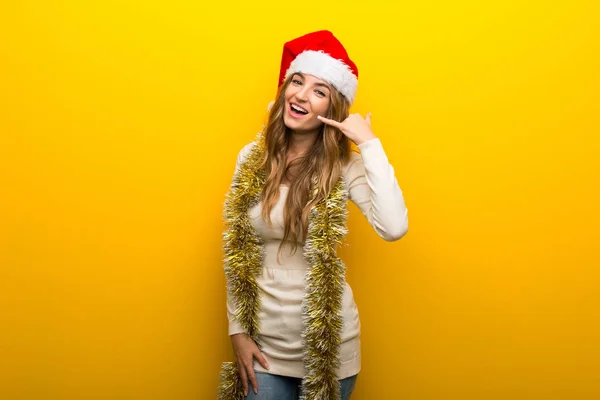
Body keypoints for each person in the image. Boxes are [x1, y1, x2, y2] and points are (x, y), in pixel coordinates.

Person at [217, 30, 409, 400]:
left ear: (332, 108)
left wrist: (369, 144)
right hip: (264, 346)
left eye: (319, 90)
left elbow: (394, 227)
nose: (301, 95)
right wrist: (238, 331)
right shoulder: (252, 158)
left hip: (328, 348)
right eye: (297, 81)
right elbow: (236, 251)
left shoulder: (345, 166)